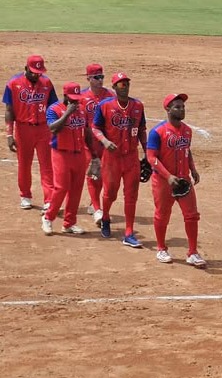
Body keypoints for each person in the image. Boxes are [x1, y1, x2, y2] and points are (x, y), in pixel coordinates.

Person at [147, 94, 205, 268]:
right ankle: (161, 248)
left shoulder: (187, 130)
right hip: (164, 181)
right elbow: (151, 157)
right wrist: (168, 176)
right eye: (177, 107)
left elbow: (187, 150)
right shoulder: (157, 132)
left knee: (192, 215)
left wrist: (193, 169)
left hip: (183, 180)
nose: (181, 110)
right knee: (162, 215)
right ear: (168, 109)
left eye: (183, 107)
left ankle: (193, 252)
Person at [91, 72, 147, 247]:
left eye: (127, 84)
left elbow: (142, 129)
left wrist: (147, 152)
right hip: (112, 158)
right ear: (114, 87)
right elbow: (95, 128)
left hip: (131, 157)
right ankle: (105, 217)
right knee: (110, 193)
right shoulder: (104, 105)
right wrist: (105, 141)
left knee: (131, 196)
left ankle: (129, 232)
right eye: (121, 85)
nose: (125, 87)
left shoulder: (138, 105)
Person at [4, 54, 57, 211]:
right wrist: (9, 134)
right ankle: (25, 196)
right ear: (26, 68)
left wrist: (55, 130)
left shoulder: (46, 83)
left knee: (47, 164)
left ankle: (49, 199)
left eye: (39, 73)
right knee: (24, 164)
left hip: (43, 129)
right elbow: (9, 110)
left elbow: (53, 107)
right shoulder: (13, 83)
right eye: (33, 72)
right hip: (23, 129)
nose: (36, 75)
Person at [41, 82, 92, 235]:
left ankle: (69, 223)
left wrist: (94, 155)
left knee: (76, 190)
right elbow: (53, 128)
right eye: (72, 99)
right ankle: (48, 217)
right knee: (61, 188)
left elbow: (87, 132)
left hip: (79, 153)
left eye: (77, 99)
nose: (76, 102)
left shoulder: (82, 110)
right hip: (61, 153)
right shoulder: (54, 109)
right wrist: (67, 113)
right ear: (64, 96)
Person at [80, 63, 114, 226]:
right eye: (96, 77)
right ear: (88, 78)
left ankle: (94, 204)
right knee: (93, 173)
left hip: (105, 142)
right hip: (88, 142)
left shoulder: (110, 95)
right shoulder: (81, 97)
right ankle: (97, 209)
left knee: (104, 175)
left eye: (101, 77)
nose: (100, 80)